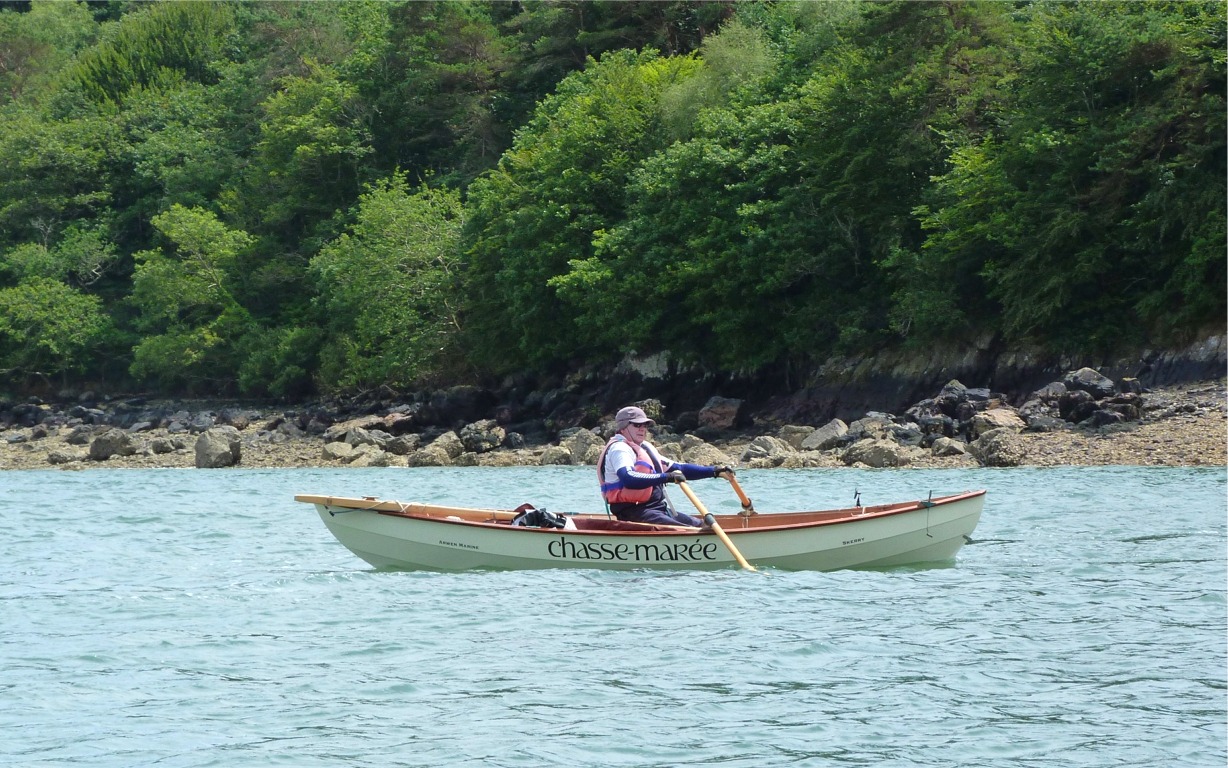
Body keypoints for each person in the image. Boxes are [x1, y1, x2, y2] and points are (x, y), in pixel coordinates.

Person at [596, 405, 732, 527]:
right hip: (633, 512)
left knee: (701, 525)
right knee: (685, 530)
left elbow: (680, 469)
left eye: (645, 425)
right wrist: (666, 477)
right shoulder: (620, 449)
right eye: (637, 425)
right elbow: (628, 478)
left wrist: (714, 471)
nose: (642, 429)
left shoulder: (644, 448)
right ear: (623, 427)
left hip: (658, 509)